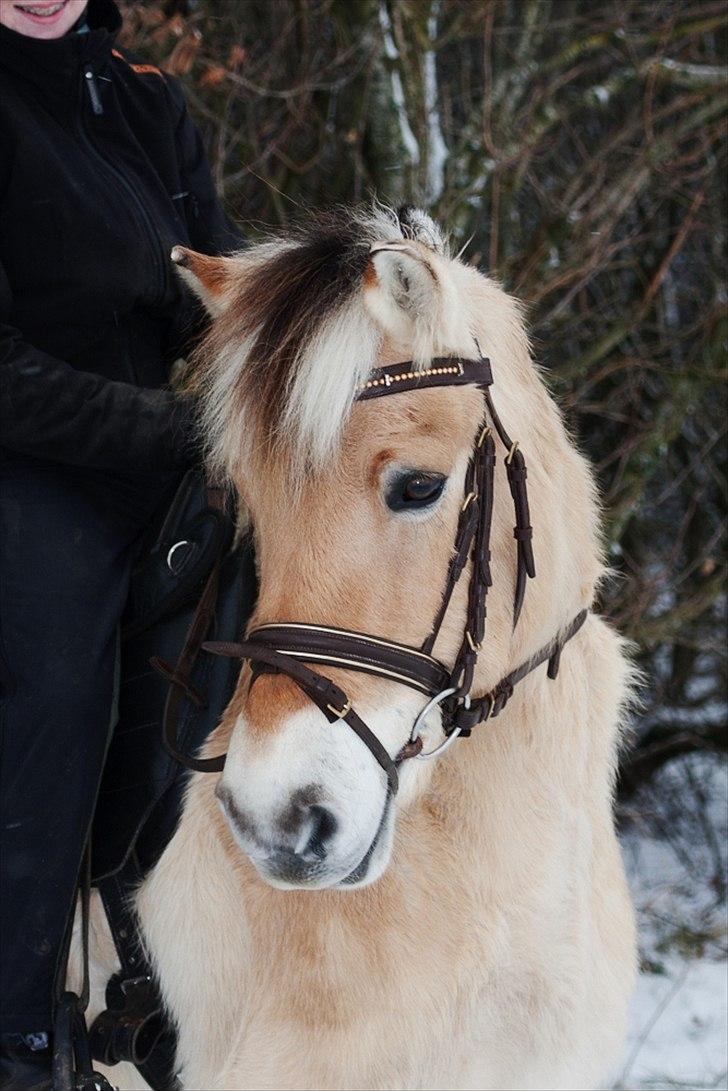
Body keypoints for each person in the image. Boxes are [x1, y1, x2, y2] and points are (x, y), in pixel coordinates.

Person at [0, 0, 243, 1085]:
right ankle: (18, 1027)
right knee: (50, 691)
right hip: (27, 460)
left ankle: (179, 971)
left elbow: (219, 289)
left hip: (155, 457)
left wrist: (331, 324)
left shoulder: (142, 96)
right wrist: (178, 429)